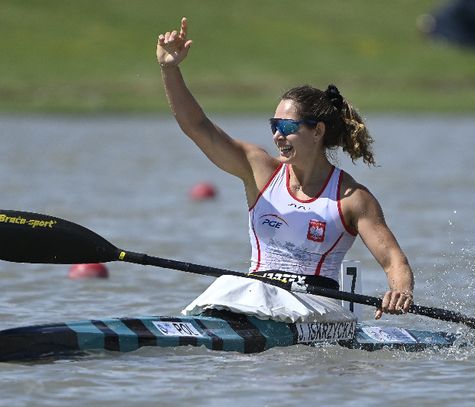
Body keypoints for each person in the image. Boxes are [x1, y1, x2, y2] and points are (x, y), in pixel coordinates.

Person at [156, 18, 414, 321]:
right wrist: (169, 69)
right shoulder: (259, 170)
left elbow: (393, 261)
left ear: (317, 132)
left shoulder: (353, 198)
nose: (277, 135)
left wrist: (400, 291)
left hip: (318, 308)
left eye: (288, 127)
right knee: (230, 286)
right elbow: (197, 127)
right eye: (274, 125)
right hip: (256, 296)